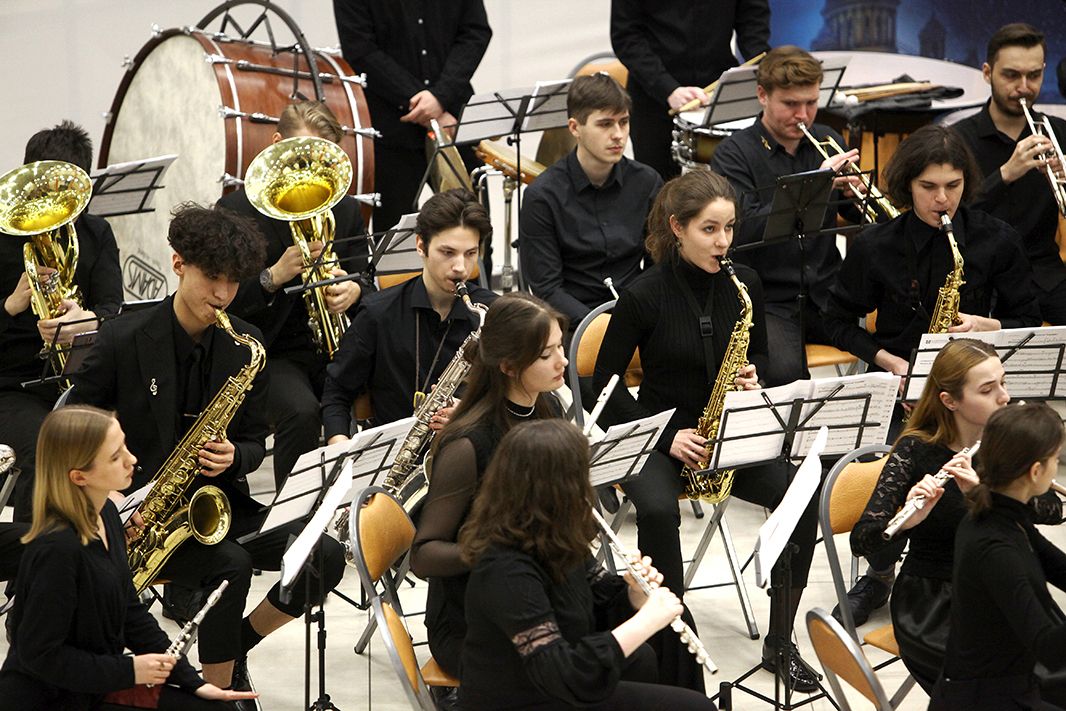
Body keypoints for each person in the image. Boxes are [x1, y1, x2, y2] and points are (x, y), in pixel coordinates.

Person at [69, 204, 346, 697]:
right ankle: (218, 696)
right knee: (231, 565)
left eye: (234, 282)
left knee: (323, 553)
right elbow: (71, 428)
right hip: (139, 519)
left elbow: (254, 443)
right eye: (212, 278)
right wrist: (107, 497)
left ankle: (235, 646)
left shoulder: (246, 344)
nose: (222, 295)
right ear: (178, 264)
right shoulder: (123, 338)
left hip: (216, 505)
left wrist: (235, 456)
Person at [591, 168, 821, 691]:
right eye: (709, 229)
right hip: (661, 437)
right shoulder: (643, 294)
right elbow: (601, 386)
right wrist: (666, 436)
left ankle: (780, 639)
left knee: (800, 492)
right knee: (655, 509)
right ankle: (671, 642)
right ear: (678, 227)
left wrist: (754, 377)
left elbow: (760, 355)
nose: (723, 242)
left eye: (729, 228)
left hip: (726, 434)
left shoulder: (745, 286)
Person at [824, 124, 1042, 627]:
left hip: (974, 391)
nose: (942, 199)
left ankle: (981, 565)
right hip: (902, 385)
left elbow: (1029, 317)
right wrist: (889, 361)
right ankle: (880, 574)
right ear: (907, 185)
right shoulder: (876, 245)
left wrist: (987, 325)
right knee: (890, 476)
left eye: (953, 185)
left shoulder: (995, 239)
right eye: (928, 187)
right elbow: (834, 320)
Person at [0, 405, 257, 710]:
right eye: (114, 456)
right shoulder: (56, 549)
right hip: (51, 699)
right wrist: (132, 669)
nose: (131, 459)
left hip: (94, 685)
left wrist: (193, 682)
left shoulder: (108, 514)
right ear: (79, 476)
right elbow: (41, 657)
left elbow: (130, 611)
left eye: (124, 445)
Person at [458, 419, 717, 710]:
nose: (587, 491)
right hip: (522, 698)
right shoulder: (505, 569)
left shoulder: (553, 537)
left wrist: (635, 595)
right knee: (695, 706)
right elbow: (562, 674)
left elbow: (598, 599)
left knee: (668, 634)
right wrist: (645, 621)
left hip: (557, 681)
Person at [849, 339, 1062, 691]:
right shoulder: (915, 449)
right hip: (933, 603)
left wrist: (989, 494)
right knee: (1022, 681)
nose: (1005, 397)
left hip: (1004, 585)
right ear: (950, 401)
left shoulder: (1006, 442)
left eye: (1003, 383)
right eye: (987, 390)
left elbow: (1052, 511)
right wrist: (909, 519)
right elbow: (863, 540)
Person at [408, 292, 569, 692]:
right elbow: (423, 556)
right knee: (590, 661)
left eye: (560, 347)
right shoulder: (467, 444)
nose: (563, 361)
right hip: (472, 622)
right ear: (509, 366)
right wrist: (501, 550)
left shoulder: (550, 409)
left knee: (649, 629)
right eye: (547, 354)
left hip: (533, 594)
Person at [221, 100, 372, 490]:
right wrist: (272, 277)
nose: (313, 171)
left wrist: (353, 289)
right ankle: (294, 514)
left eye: (323, 159)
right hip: (271, 350)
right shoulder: (236, 210)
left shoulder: (345, 209)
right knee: (302, 412)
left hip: (334, 346)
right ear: (276, 144)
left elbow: (368, 281)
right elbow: (222, 303)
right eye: (304, 157)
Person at [710, 45, 879, 387]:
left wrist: (855, 197)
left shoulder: (827, 139)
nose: (803, 115)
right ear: (762, 95)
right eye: (790, 104)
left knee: (886, 346)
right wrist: (817, 184)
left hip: (827, 292)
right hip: (769, 298)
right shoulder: (733, 154)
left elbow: (850, 214)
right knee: (784, 375)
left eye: (811, 103)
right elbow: (742, 230)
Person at [0, 120, 122, 522]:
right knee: (46, 449)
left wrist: (86, 320)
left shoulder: (96, 233)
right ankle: (33, 553)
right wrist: (10, 306)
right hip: (12, 386)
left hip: (81, 376)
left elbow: (114, 310)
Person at [322, 188, 495, 440]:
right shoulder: (378, 313)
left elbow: (517, 393)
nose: (460, 267)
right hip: (392, 452)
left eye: (470, 254)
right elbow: (337, 392)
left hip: (469, 446)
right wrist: (339, 443)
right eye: (448, 253)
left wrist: (473, 413)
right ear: (421, 246)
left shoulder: (493, 313)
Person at [929, 403, 1066, 710]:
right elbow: (1048, 648)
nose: (1057, 466)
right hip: (987, 698)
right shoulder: (994, 546)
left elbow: (1059, 568)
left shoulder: (1002, 516)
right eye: (1055, 459)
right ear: (1036, 471)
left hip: (1009, 683)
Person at [333, 0, 492, 230]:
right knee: (394, 234)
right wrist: (423, 103)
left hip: (453, 121)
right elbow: (359, 49)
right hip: (391, 130)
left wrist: (441, 96)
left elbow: (476, 32)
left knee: (475, 227)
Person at [520, 72, 663, 327]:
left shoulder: (647, 182)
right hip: (573, 324)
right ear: (575, 128)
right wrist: (597, 325)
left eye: (624, 122)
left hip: (637, 314)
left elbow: (658, 266)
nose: (618, 134)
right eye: (605, 124)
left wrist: (639, 315)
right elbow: (547, 288)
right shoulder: (542, 196)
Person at [954, 23, 1066, 325]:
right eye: (1011, 75)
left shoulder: (1059, 133)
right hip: (977, 277)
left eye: (1034, 75)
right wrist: (1004, 175)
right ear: (987, 73)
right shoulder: (957, 139)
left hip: (1042, 274)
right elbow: (947, 216)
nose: (1024, 87)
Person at [610, 0, 770, 180]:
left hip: (717, 93)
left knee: (728, 182)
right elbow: (626, 37)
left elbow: (753, 23)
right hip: (653, 96)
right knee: (656, 185)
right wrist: (667, 88)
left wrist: (765, 72)